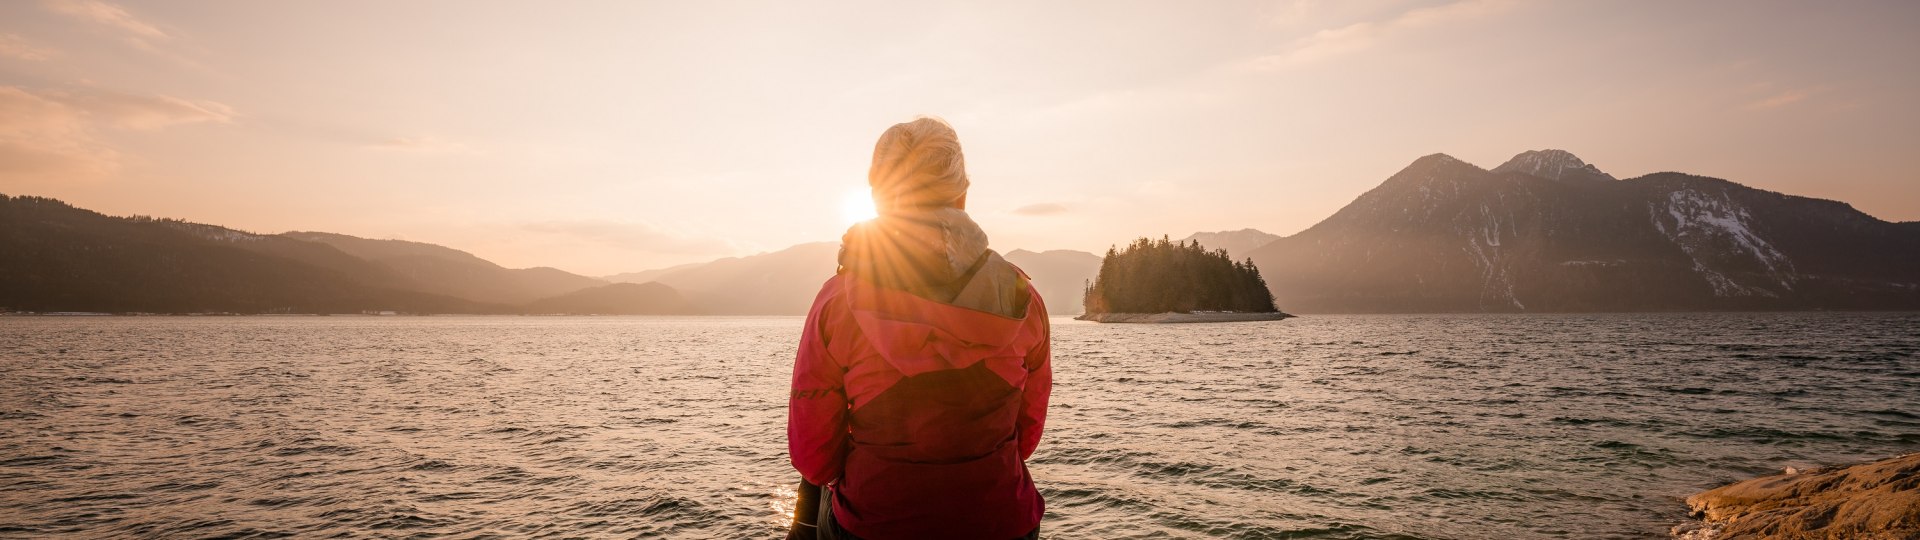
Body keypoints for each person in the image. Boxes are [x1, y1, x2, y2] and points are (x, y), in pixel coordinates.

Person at [786, 117, 1052, 540]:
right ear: (963, 193)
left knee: (813, 499)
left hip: (874, 525)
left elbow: (815, 457)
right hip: (1002, 521)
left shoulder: (838, 302)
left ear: (877, 197)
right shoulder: (1021, 299)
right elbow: (1027, 437)